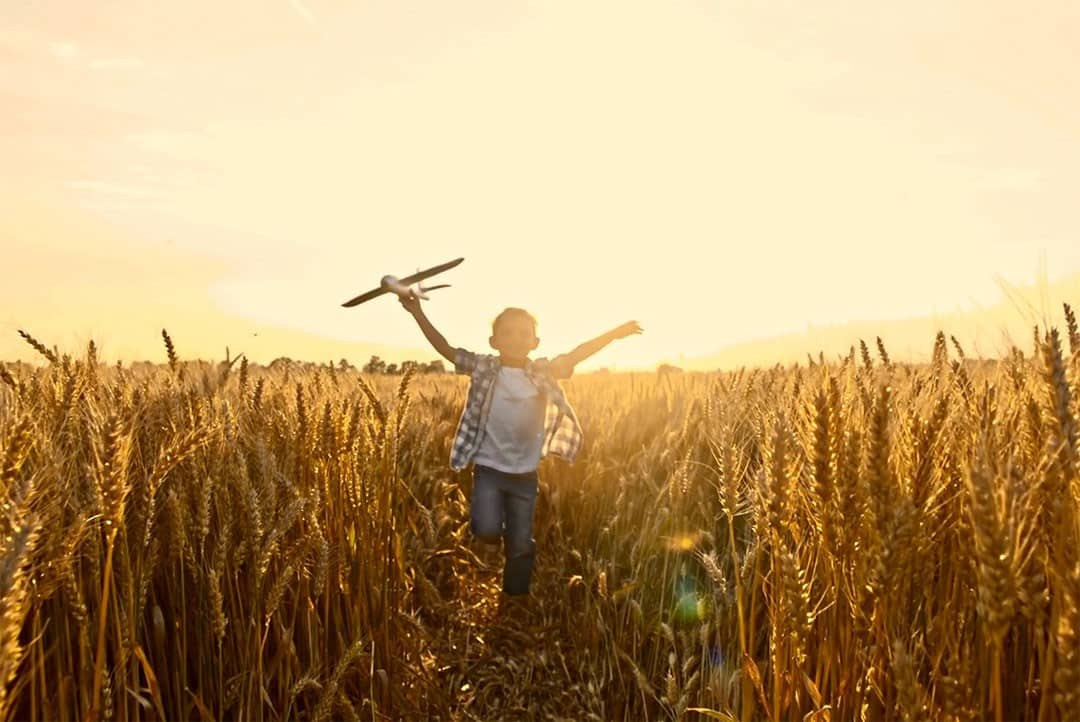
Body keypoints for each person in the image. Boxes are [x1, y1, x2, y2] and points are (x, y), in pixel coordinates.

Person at [400, 293, 641, 596]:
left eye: (524, 333)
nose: (516, 339)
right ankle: (496, 539)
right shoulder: (483, 367)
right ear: (493, 341)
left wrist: (613, 334)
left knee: (520, 544)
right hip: (489, 469)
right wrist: (417, 312)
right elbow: (446, 349)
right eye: (508, 333)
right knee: (485, 529)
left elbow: (577, 354)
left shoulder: (542, 371)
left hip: (525, 475)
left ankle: (515, 595)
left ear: (535, 342)